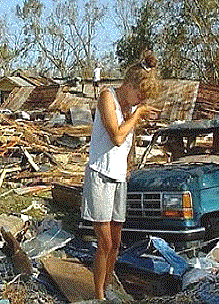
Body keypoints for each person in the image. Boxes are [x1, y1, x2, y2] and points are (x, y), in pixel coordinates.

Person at [81, 50, 161, 301]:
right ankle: (98, 296)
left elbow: (128, 143)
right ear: (128, 85)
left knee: (116, 241)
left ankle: (108, 285)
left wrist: (129, 163)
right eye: (138, 95)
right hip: (100, 176)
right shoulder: (108, 97)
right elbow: (116, 136)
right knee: (104, 242)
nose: (138, 101)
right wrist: (136, 115)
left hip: (118, 179)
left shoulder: (130, 108)